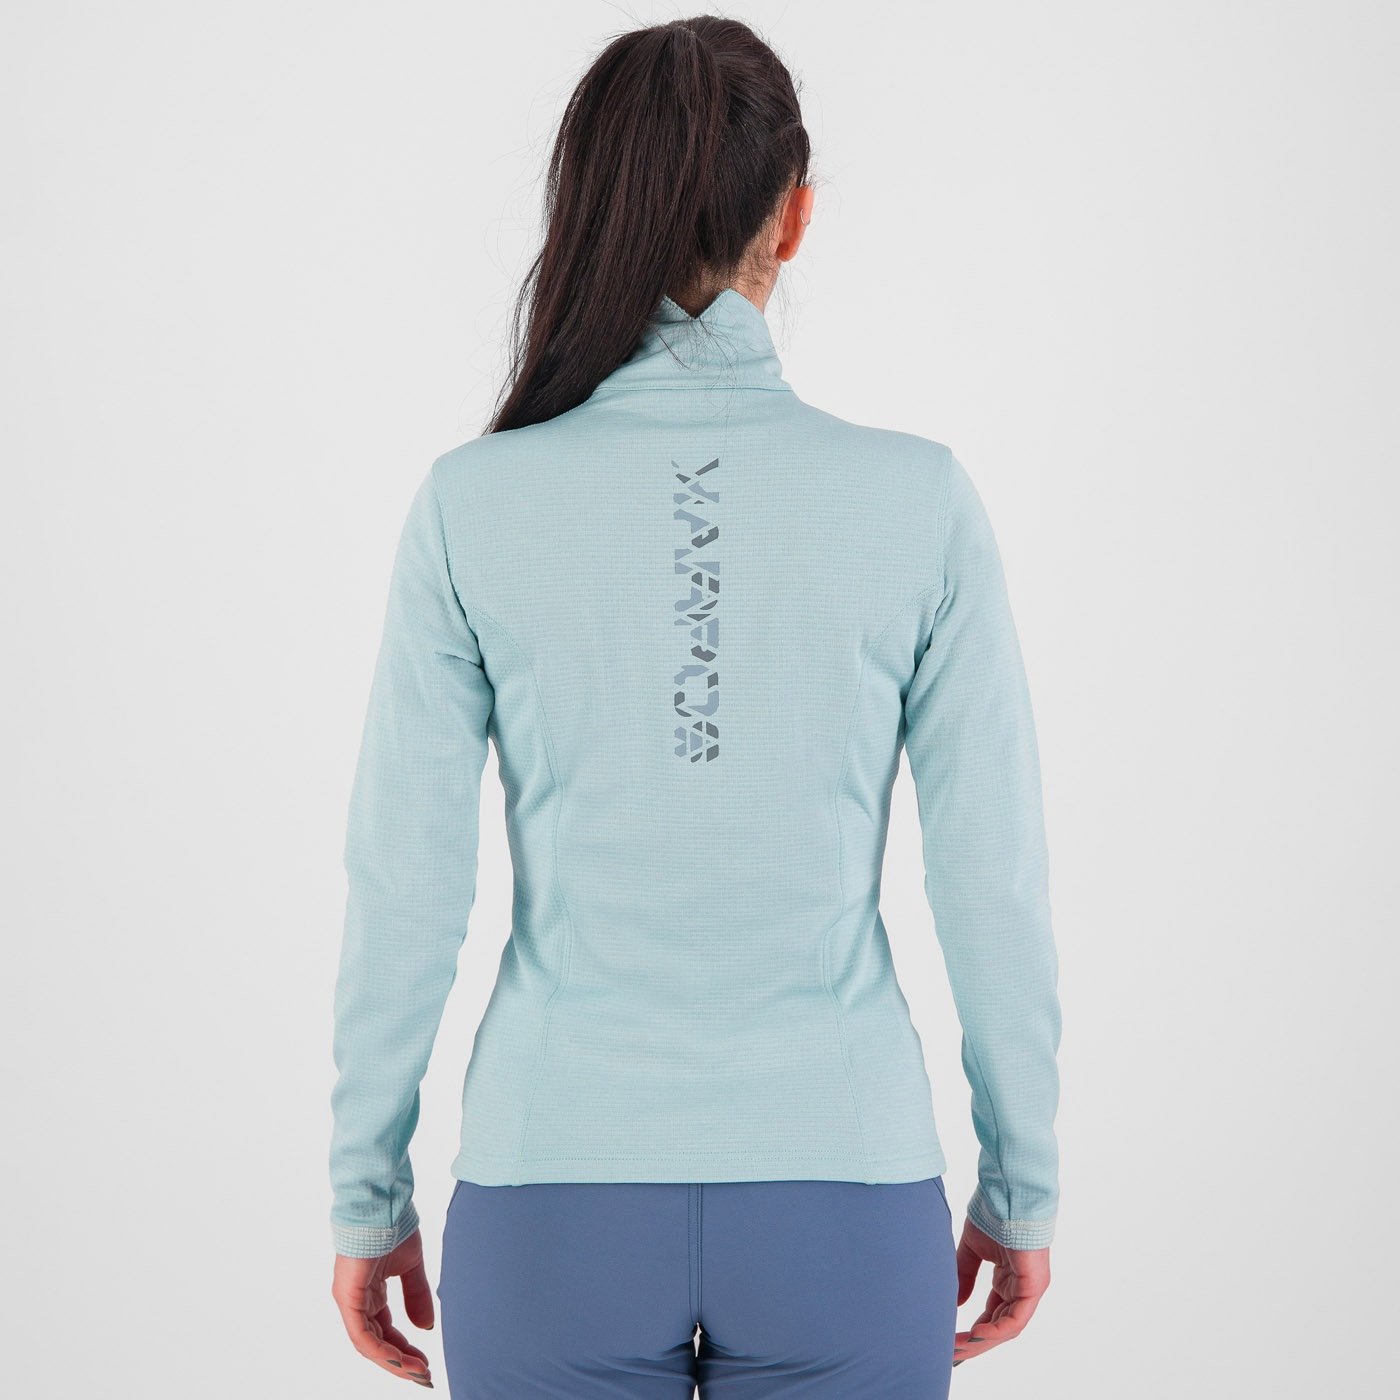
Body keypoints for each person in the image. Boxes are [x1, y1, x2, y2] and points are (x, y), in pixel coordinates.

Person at [327, 15, 1061, 1398]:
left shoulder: (473, 504)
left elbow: (404, 887)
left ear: (588, 209)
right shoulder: (918, 502)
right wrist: (1021, 1189)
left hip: (551, 1199)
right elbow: (993, 886)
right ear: (796, 217)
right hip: (847, 1196)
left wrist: (368, 1197)